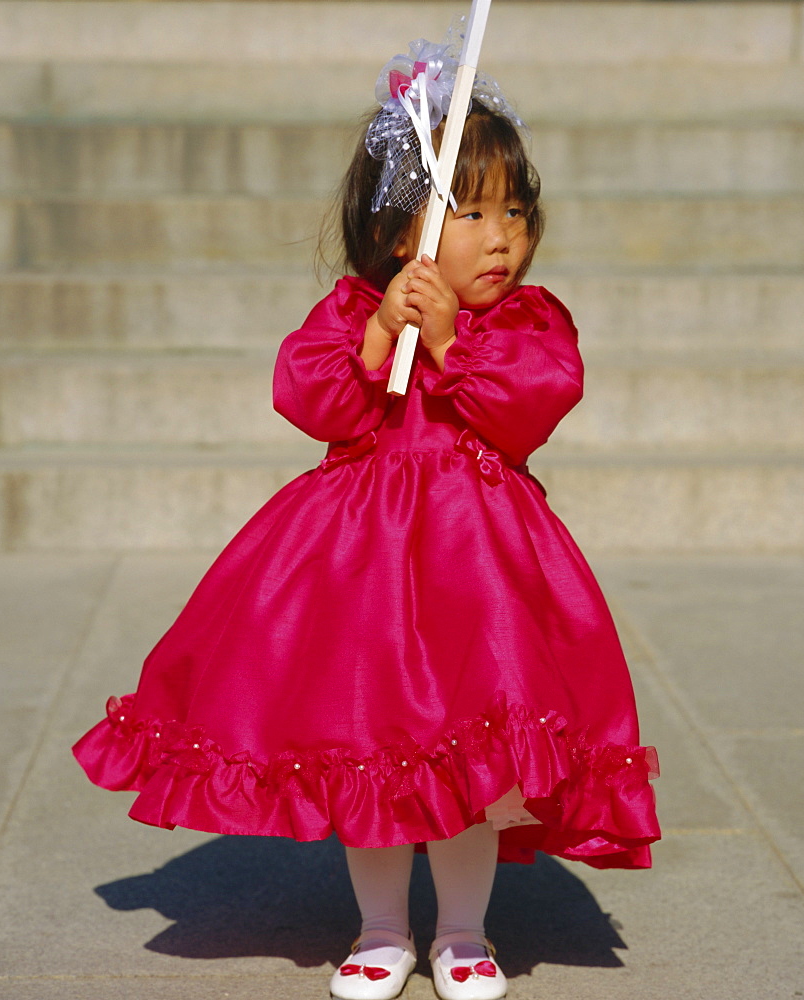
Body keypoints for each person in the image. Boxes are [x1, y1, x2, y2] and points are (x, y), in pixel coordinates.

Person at [73, 33, 660, 1000]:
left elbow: (538, 399)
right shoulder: (356, 313)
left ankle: (465, 930)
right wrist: (385, 332)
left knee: (474, 753)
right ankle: (383, 927)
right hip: (362, 571)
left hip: (482, 575)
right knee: (372, 753)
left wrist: (447, 345)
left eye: (515, 209)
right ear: (403, 233)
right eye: (469, 212)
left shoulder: (524, 324)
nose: (503, 234)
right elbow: (309, 397)